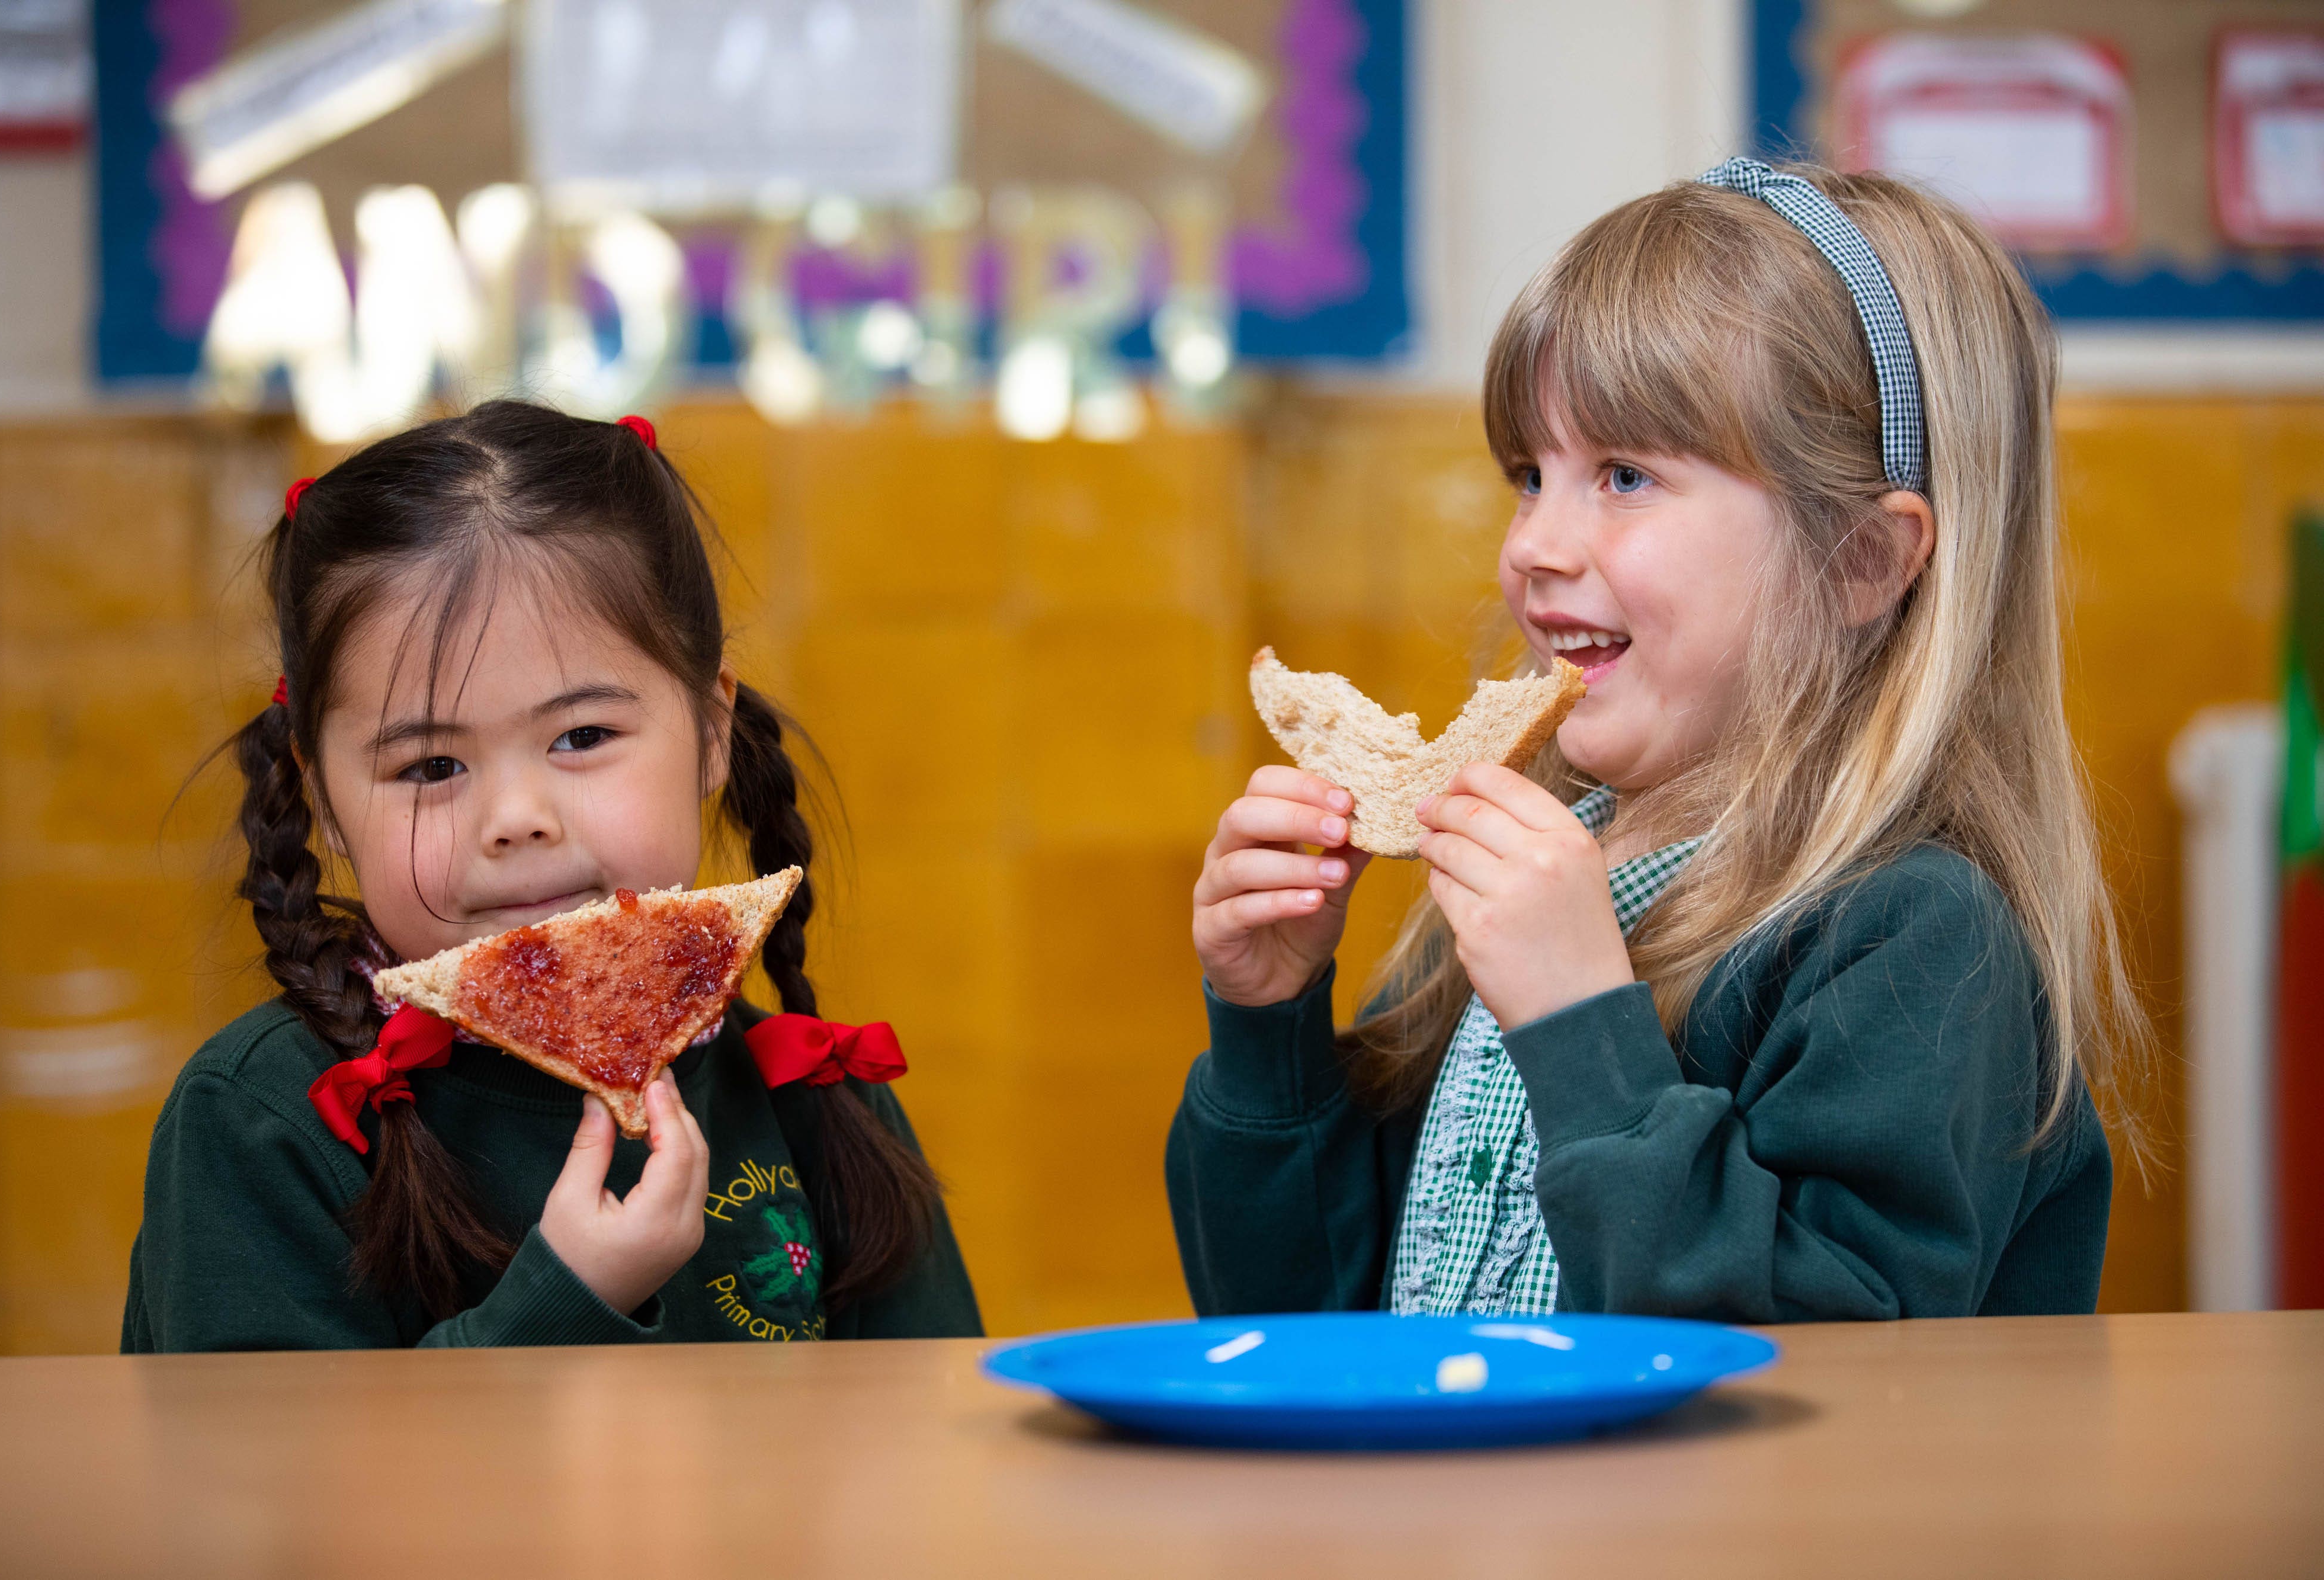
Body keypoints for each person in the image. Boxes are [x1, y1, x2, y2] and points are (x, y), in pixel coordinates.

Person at [1171, 160, 2139, 1322]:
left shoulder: (1910, 936)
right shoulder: (1512, 886)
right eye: (1529, 475)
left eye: (1623, 475)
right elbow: (1300, 1321)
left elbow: (1826, 1380)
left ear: (1859, 562)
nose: (1532, 544)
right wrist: (1269, 1026)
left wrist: (1584, 1026)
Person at [124, 402, 979, 1349]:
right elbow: (269, 1492)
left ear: (709, 732)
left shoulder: (824, 1097)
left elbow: (927, 1457)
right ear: (322, 801)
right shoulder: (261, 1123)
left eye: (582, 737)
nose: (516, 819)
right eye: (431, 767)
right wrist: (566, 1301)